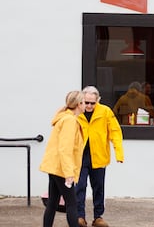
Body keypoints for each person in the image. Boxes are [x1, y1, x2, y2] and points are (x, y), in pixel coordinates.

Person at [76, 86, 124, 227]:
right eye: (86, 102)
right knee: (80, 187)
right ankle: (80, 217)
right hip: (80, 156)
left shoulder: (105, 111)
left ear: (98, 100)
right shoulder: (76, 112)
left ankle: (98, 217)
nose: (89, 106)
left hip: (99, 156)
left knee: (98, 187)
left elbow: (115, 131)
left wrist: (119, 153)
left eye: (92, 103)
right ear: (81, 100)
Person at [39, 90, 86, 227]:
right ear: (79, 104)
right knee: (72, 204)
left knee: (53, 203)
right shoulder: (70, 121)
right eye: (84, 102)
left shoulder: (64, 118)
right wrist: (69, 173)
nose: (87, 106)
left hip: (54, 167)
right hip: (61, 169)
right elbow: (65, 149)